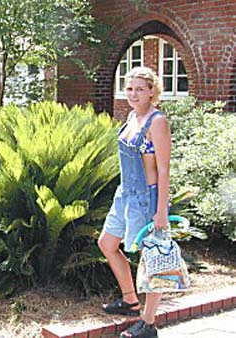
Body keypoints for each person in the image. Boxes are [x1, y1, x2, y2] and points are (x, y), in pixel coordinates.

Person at [98, 66, 171, 337]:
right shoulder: (131, 116)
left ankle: (148, 323)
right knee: (106, 243)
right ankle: (130, 300)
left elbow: (163, 169)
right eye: (129, 88)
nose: (133, 94)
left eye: (140, 89)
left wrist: (161, 210)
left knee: (152, 260)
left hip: (147, 198)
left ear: (152, 91)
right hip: (124, 195)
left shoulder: (157, 121)